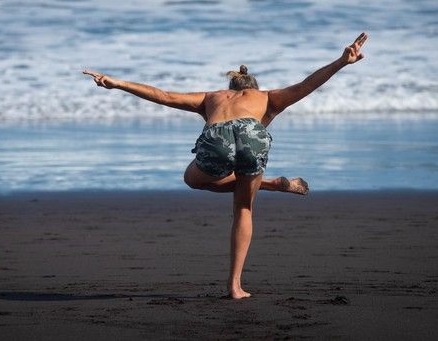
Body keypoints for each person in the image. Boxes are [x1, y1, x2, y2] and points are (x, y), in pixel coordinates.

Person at [83, 32, 368, 299]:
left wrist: (118, 83)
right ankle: (235, 286)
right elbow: (308, 84)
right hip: (253, 135)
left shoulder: (211, 97)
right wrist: (342, 61)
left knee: (192, 180)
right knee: (244, 207)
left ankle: (266, 184)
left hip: (217, 137)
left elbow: (164, 95)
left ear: (230, 88)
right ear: (252, 88)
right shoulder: (267, 97)